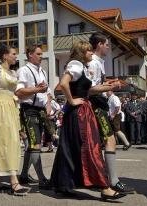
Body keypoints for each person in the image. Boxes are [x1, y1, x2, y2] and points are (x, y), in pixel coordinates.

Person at [50, 40, 125, 201]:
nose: (92, 53)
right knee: (91, 146)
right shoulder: (76, 65)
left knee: (71, 148)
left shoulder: (80, 66)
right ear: (82, 52)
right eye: (89, 51)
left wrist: (109, 86)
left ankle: (64, 184)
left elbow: (88, 88)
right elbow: (63, 83)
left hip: (79, 112)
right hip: (79, 112)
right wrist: (72, 100)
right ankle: (104, 187)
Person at [88, 32, 133, 193]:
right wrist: (110, 87)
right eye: (107, 44)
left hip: (100, 104)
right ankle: (112, 181)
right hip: (95, 104)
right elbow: (91, 88)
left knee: (106, 140)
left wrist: (109, 82)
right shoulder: (93, 62)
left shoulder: (99, 61)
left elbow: (98, 83)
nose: (108, 47)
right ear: (99, 44)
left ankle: (107, 178)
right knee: (110, 139)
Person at [0, 45, 30, 196]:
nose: (16, 56)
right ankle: (14, 182)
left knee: (10, 142)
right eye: (14, 54)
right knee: (4, 142)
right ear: (5, 56)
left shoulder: (13, 72)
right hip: (0, 108)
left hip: (11, 107)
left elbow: (15, 91)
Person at [15, 44, 51, 189]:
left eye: (42, 54)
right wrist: (37, 89)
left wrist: (48, 105)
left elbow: (47, 92)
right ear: (30, 54)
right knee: (35, 143)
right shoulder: (23, 70)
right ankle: (42, 179)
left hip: (40, 109)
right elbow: (19, 92)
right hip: (28, 109)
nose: (41, 56)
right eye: (38, 54)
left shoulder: (42, 70)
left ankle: (23, 175)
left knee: (33, 144)